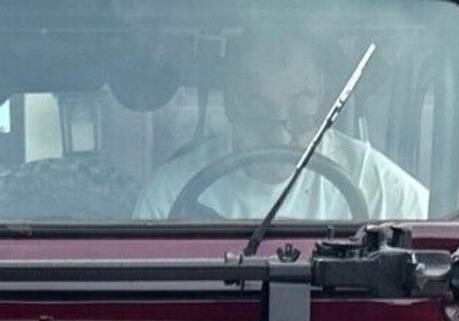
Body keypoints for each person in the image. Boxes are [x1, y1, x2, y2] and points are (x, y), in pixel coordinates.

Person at [134, 42, 427, 222]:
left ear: (321, 100)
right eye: (262, 116)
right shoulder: (170, 193)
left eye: (300, 118)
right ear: (232, 105)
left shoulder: (378, 186)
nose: (281, 138)